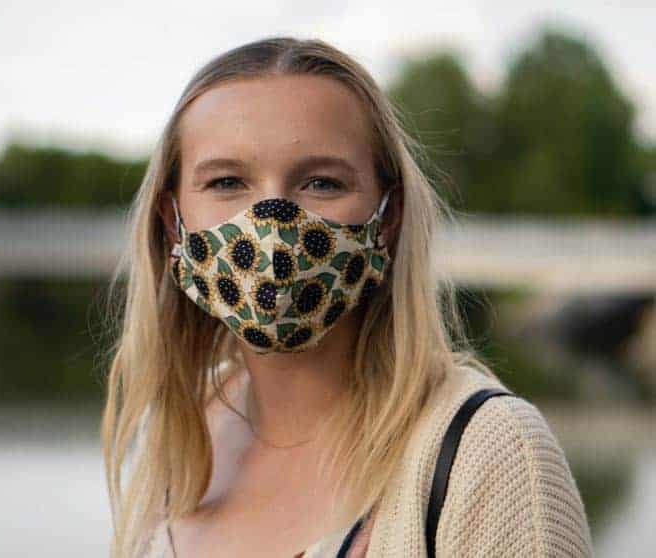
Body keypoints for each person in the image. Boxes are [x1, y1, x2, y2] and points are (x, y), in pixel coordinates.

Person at [100, 36, 593, 558]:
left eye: (321, 183)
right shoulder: (181, 432)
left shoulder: (489, 454)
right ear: (173, 226)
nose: (274, 229)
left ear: (390, 216)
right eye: (227, 181)